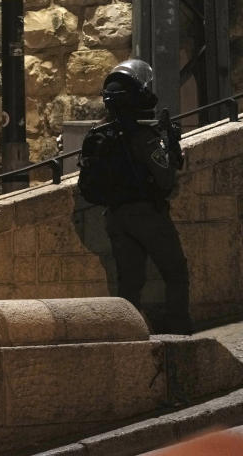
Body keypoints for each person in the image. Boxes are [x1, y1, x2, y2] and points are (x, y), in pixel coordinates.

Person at [78, 59, 192, 334]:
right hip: (146, 214)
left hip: (115, 216)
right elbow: (164, 180)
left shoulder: (100, 134)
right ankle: (179, 328)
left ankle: (129, 332)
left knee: (129, 281)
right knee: (176, 271)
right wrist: (171, 152)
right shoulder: (145, 135)